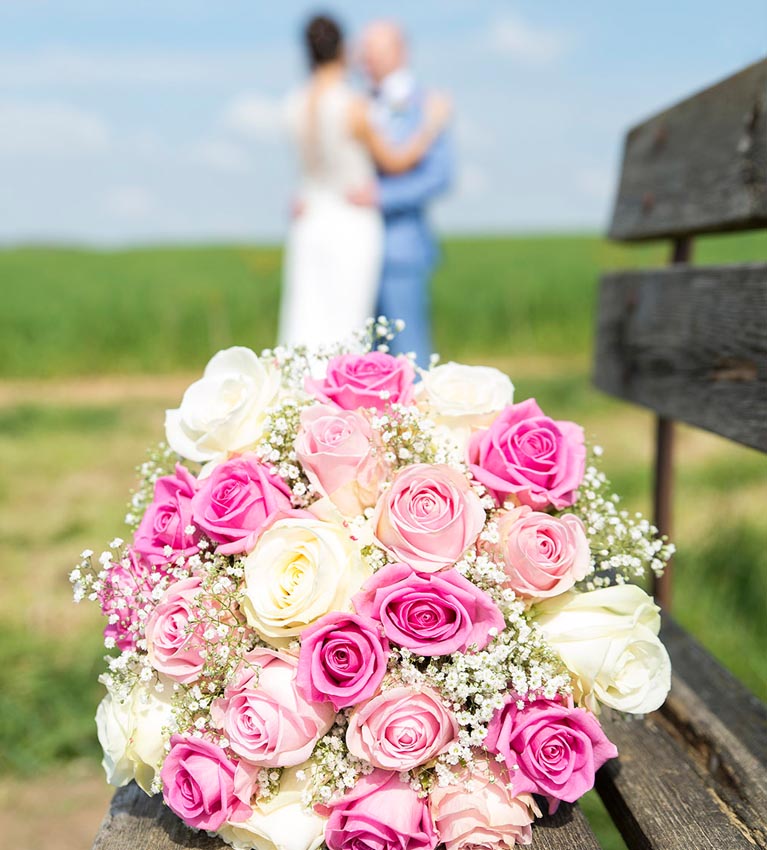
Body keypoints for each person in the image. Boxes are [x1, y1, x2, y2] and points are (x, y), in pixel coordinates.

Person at [279, 15, 450, 351]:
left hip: (312, 223)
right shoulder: (353, 104)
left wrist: (307, 193)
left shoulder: (293, 104)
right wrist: (432, 124)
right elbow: (395, 160)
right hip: (351, 225)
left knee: (308, 321)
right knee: (347, 326)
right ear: (343, 51)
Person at [358, 20, 453, 367]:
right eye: (363, 53)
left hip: (401, 248)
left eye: (375, 52)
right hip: (353, 248)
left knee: (408, 355)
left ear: (401, 52)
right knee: (364, 357)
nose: (366, 61)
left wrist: (382, 196)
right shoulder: (358, 104)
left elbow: (440, 176)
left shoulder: (427, 105)